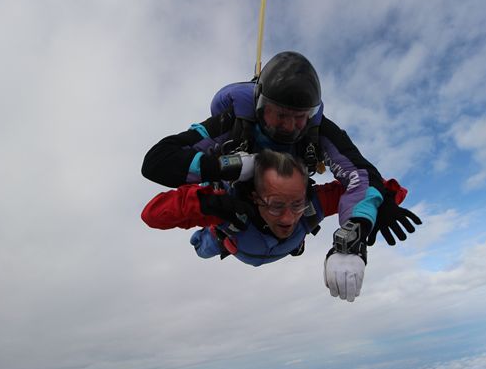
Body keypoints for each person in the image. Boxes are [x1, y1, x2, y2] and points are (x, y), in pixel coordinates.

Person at [141, 51, 421, 286]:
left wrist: (361, 225)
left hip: (268, 227)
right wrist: (226, 172)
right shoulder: (234, 125)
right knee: (204, 245)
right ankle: (231, 226)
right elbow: (158, 163)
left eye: (300, 117)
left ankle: (281, 215)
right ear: (260, 106)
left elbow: (362, 176)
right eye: (281, 115)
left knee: (294, 212)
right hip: (234, 217)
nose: (290, 127)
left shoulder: (317, 137)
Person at [142, 150, 409, 302]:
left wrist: (383, 201)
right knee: (201, 247)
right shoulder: (230, 209)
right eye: (276, 205)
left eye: (296, 204)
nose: (288, 218)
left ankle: (287, 232)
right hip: (226, 239)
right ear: (255, 198)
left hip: (262, 245)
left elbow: (365, 187)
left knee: (297, 222)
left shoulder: (313, 205)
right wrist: (211, 203)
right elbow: (152, 214)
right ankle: (215, 232)